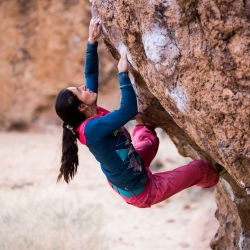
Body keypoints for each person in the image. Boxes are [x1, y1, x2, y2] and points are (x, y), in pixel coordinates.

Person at [55, 17, 224, 208]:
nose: (83, 87)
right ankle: (219, 175)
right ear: (81, 107)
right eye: (79, 91)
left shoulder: (90, 110)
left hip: (135, 165)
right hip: (143, 191)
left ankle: (146, 137)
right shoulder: (91, 129)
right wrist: (123, 75)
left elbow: (91, 75)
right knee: (200, 168)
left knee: (150, 139)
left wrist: (92, 41)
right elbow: (128, 110)